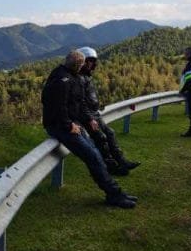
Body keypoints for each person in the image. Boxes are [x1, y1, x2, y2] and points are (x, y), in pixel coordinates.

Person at [41, 50, 137, 209]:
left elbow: (79, 104)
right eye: (81, 64)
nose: (84, 67)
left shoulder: (73, 77)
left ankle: (116, 192)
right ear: (77, 65)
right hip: (61, 127)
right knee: (92, 156)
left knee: (96, 154)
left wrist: (88, 119)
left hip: (72, 125)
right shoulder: (62, 79)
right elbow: (57, 106)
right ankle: (114, 195)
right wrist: (69, 125)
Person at [77, 46, 141, 176]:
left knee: (110, 133)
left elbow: (89, 96)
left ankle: (122, 161)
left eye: (93, 61)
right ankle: (111, 167)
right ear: (83, 61)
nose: (93, 64)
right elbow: (80, 101)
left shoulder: (86, 77)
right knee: (101, 138)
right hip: (87, 116)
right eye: (90, 61)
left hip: (94, 113)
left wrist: (97, 105)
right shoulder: (78, 78)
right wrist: (89, 118)